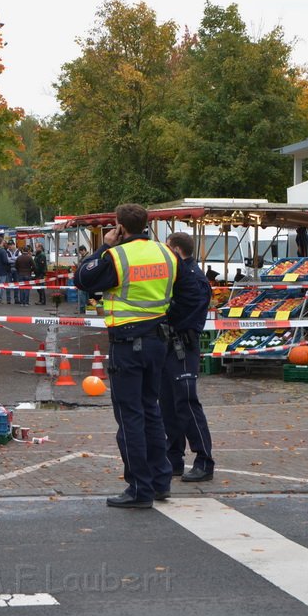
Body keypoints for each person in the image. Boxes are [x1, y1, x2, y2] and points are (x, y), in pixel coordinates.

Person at [75, 203, 177, 509]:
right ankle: (161, 482)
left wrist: (103, 246)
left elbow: (82, 280)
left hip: (127, 345)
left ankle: (139, 488)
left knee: (130, 416)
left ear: (120, 226)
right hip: (158, 342)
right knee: (152, 410)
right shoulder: (166, 254)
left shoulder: (116, 256)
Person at [160, 232, 215, 482]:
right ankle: (174, 459)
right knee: (168, 404)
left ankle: (204, 460)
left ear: (176, 251)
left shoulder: (193, 279)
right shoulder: (179, 277)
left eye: (167, 249)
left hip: (182, 345)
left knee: (186, 402)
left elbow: (181, 314)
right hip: (169, 346)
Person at [76, 245, 90, 314]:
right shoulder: (84, 257)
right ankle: (86, 308)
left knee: (82, 293)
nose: (80, 253)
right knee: (86, 293)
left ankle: (82, 309)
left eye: (80, 252)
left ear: (84, 250)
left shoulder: (87, 257)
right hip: (85, 277)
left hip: (84, 278)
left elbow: (84, 266)